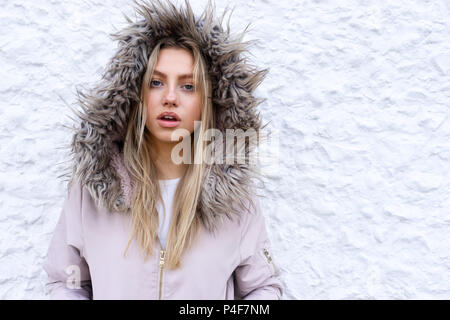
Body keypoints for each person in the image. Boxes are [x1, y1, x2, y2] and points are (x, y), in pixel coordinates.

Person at [43, 0, 284, 300]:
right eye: (156, 82)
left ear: (208, 103)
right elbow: (67, 282)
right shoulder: (91, 190)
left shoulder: (235, 200)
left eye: (187, 86)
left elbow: (262, 289)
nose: (170, 97)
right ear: (136, 94)